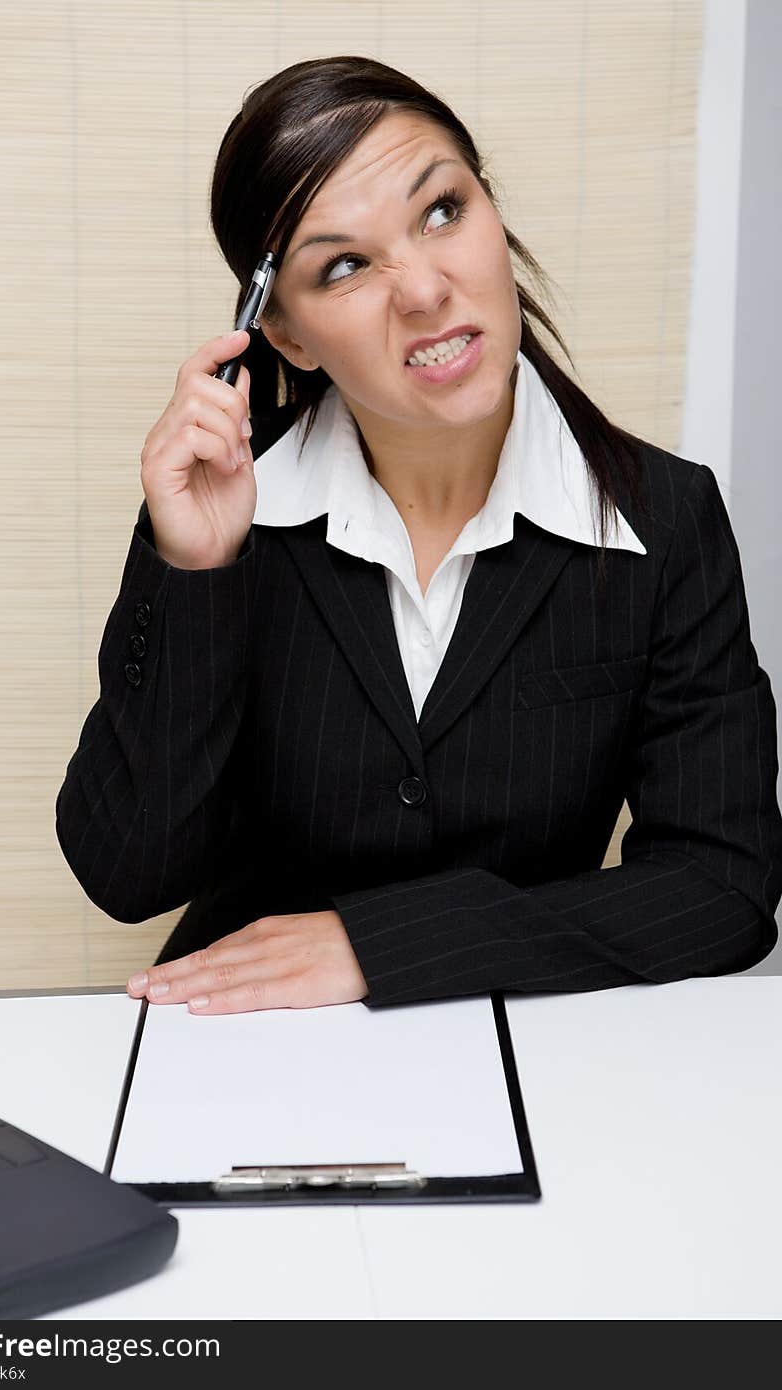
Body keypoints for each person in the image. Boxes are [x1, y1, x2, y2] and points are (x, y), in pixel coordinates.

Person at [55, 55, 782, 1016]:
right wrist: (196, 569)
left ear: (492, 213)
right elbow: (128, 870)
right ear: (286, 336)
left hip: (535, 1053)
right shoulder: (234, 512)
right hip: (248, 1052)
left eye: (442, 211)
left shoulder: (665, 519)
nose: (426, 289)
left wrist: (386, 944)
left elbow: (721, 890)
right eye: (345, 266)